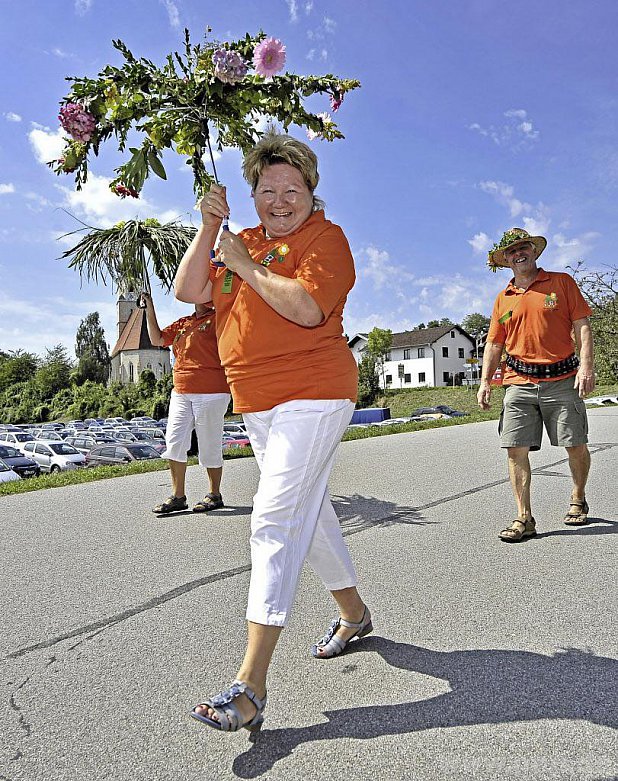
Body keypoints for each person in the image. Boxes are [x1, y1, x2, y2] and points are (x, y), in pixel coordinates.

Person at [174, 132, 371, 738]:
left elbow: (308, 308)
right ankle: (356, 615)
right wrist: (210, 228)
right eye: (267, 190)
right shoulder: (243, 241)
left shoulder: (325, 240)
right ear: (252, 195)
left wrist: (245, 264)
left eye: (293, 189)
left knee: (275, 517)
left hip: (316, 390)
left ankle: (250, 685)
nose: (279, 200)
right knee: (312, 517)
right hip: (256, 401)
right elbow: (188, 292)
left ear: (312, 193)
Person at [478, 227, 595, 542]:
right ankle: (524, 517)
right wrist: (485, 381)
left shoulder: (561, 283)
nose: (519, 253)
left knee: (575, 444)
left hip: (562, 380)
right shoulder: (503, 299)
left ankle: (578, 495)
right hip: (518, 383)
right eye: (512, 251)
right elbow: (494, 344)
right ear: (506, 260)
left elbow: (582, 325)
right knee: (514, 448)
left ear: (534, 251)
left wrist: (586, 366)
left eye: (524, 247)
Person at [142, 293, 230, 513]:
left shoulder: (220, 318)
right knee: (174, 442)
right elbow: (157, 339)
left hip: (212, 391)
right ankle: (178, 496)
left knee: (209, 443)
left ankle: (214, 494)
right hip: (181, 391)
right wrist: (149, 307)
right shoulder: (184, 323)